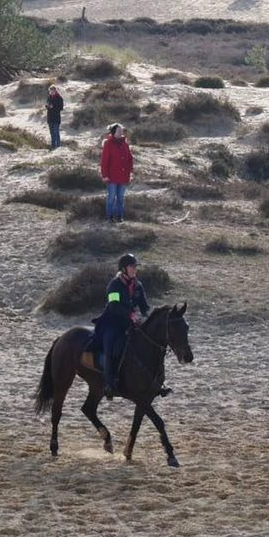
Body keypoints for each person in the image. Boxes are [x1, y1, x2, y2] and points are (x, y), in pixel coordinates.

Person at [92, 253, 150, 400]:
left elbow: (144, 306)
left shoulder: (138, 285)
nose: (134, 269)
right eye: (132, 267)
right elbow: (113, 306)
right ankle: (109, 384)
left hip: (129, 323)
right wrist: (131, 315)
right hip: (111, 323)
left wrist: (147, 317)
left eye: (135, 267)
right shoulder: (114, 284)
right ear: (124, 268)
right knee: (110, 347)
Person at [100, 123, 133, 223]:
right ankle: (110, 217)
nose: (121, 132)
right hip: (112, 176)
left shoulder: (125, 143)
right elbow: (104, 161)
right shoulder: (108, 143)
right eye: (119, 130)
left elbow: (129, 159)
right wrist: (105, 175)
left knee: (120, 198)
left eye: (121, 130)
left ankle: (119, 217)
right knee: (111, 197)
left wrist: (130, 172)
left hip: (123, 176)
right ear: (113, 132)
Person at [45, 85, 63, 150]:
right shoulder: (49, 97)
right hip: (50, 118)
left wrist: (53, 107)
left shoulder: (59, 98)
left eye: (53, 91)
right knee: (52, 133)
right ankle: (53, 147)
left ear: (55, 91)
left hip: (56, 118)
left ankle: (58, 147)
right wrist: (47, 106)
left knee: (56, 132)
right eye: (50, 91)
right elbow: (47, 105)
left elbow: (61, 108)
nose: (51, 92)